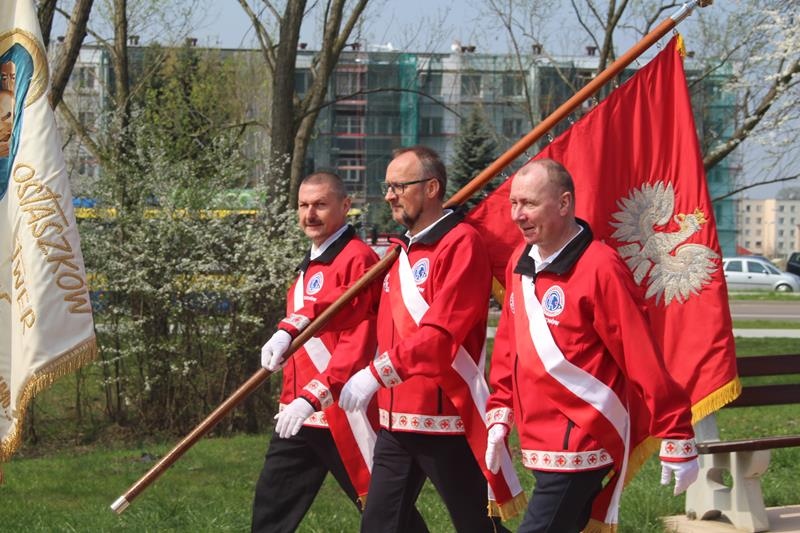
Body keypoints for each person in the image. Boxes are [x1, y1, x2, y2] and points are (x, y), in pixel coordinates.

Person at [484, 158, 700, 533]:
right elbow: (509, 344)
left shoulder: (601, 266)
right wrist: (500, 408)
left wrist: (676, 430)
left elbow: (640, 356)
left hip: (582, 442)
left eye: (529, 203)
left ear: (564, 203)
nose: (518, 215)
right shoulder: (520, 260)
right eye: (514, 203)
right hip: (538, 439)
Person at [338, 146, 524, 533]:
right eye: (388, 187)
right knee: (379, 525)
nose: (389, 196)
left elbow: (440, 336)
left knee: (477, 527)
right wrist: (291, 327)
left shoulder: (461, 243)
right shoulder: (400, 251)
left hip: (444, 418)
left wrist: (375, 374)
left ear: (432, 188)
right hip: (396, 420)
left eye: (399, 186)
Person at [251, 171, 382, 533]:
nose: (310, 214)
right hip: (297, 413)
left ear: (345, 205)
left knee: (384, 514)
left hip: (339, 408)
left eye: (320, 205)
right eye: (303, 205)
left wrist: (313, 395)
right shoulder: (312, 260)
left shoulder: (358, 259)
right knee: (271, 508)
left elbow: (359, 339)